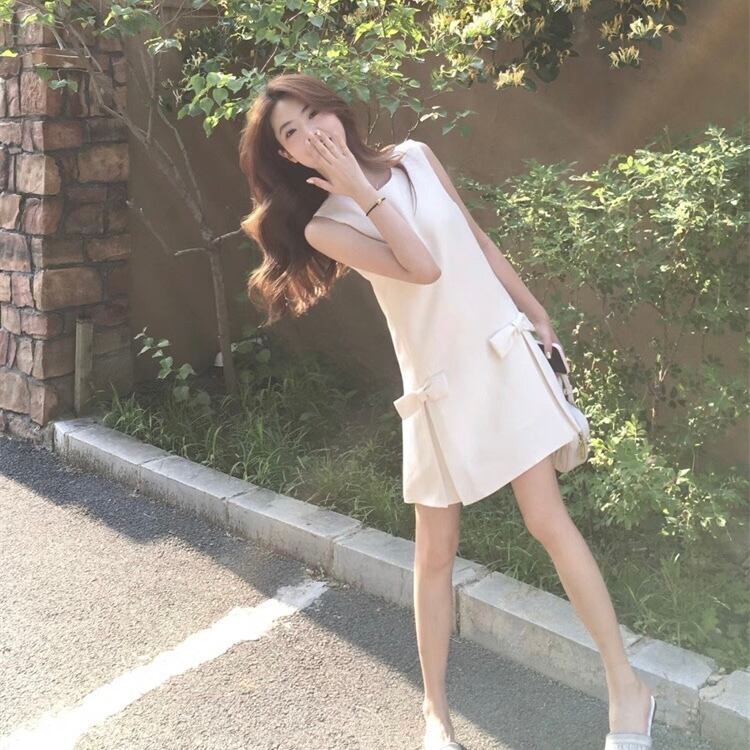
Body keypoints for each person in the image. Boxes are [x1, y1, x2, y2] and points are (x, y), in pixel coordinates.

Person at [238, 72, 657, 750]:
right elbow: (422, 266)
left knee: (547, 519)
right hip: (436, 385)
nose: (312, 131)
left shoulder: (415, 157)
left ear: (335, 111)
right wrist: (361, 191)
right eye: (292, 131)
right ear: (285, 155)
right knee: (434, 554)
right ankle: (435, 715)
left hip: (498, 353)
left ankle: (627, 688)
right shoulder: (325, 226)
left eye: (314, 112)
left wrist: (537, 313)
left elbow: (478, 243)